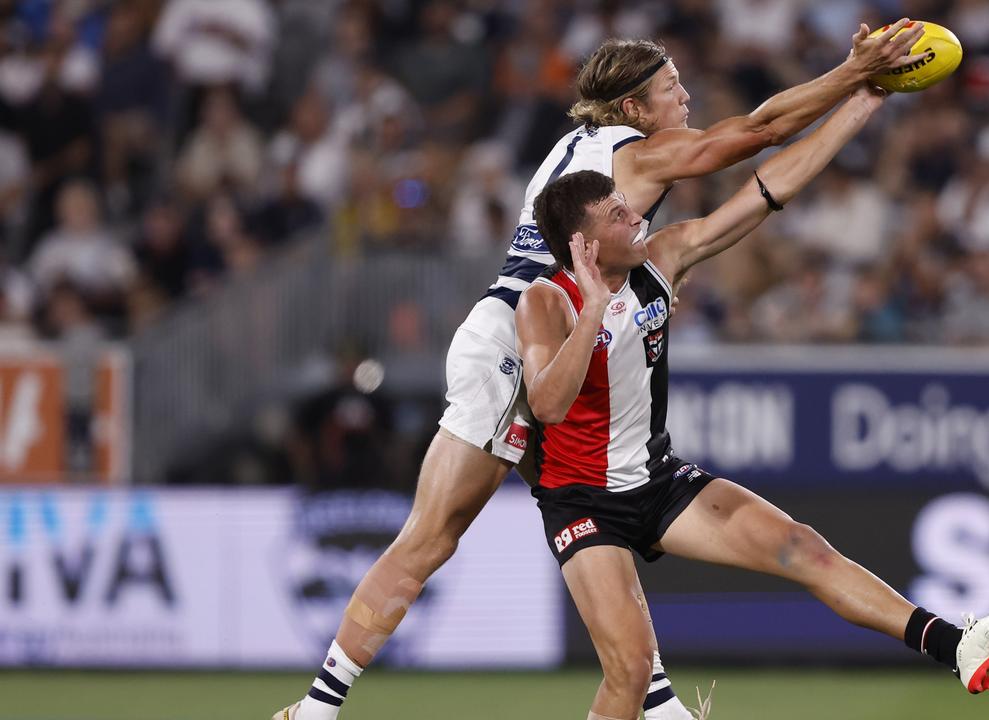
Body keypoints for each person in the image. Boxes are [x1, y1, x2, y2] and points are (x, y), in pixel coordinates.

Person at [275, 20, 927, 720]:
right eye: (670, 89)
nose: (685, 97)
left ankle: (660, 703)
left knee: (597, 503)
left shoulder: (578, 148)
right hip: (521, 335)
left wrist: (861, 91)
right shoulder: (631, 156)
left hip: (543, 327)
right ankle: (315, 709)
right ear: (633, 110)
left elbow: (756, 169)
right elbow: (760, 131)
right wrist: (854, 74)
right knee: (434, 533)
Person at [515, 84, 989, 720]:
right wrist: (595, 311)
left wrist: (863, 103)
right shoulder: (547, 300)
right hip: (582, 501)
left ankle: (957, 646)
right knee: (628, 675)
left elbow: (764, 193)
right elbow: (547, 404)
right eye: (619, 217)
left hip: (654, 480)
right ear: (585, 246)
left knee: (803, 546)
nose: (637, 217)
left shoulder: (663, 257)